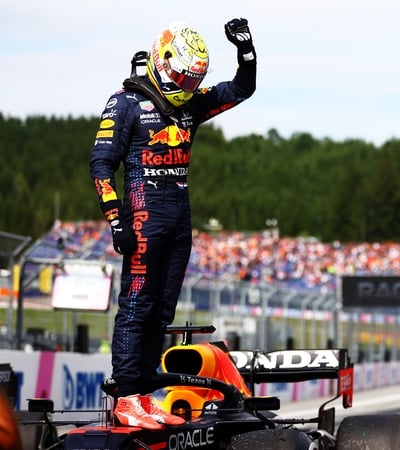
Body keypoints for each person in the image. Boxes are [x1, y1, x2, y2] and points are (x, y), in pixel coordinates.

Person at [89, 18, 256, 429]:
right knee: (136, 306)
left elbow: (240, 89)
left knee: (161, 311)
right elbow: (100, 164)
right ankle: (126, 397)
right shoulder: (125, 102)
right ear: (163, 60)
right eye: (183, 74)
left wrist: (247, 51)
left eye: (193, 77)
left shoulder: (189, 104)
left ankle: (143, 393)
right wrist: (117, 221)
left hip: (181, 219)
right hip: (145, 217)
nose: (187, 82)